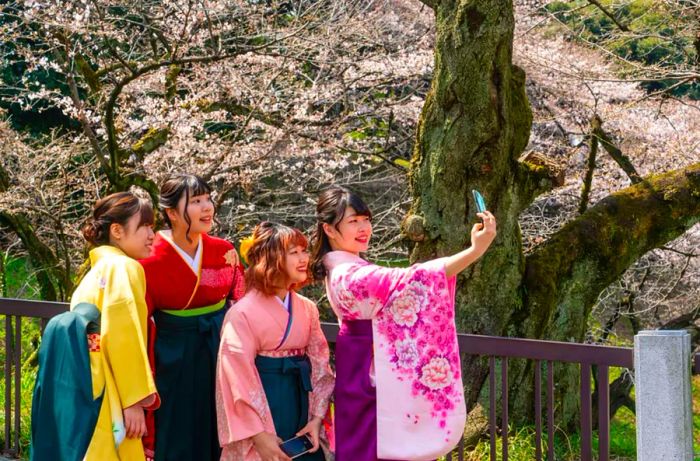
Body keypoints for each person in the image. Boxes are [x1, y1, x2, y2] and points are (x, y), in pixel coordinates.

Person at [309, 186, 497, 461]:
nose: (363, 228)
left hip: (364, 365)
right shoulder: (349, 274)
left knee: (368, 446)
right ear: (329, 229)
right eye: (353, 221)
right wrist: (474, 251)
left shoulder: (344, 267)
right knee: (373, 447)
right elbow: (413, 279)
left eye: (365, 219)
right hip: (370, 371)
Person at [32, 190, 159, 461]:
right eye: (145, 225)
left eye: (153, 226)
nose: (152, 235)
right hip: (110, 387)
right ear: (117, 230)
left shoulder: (94, 274)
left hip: (88, 381)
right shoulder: (124, 267)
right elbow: (123, 335)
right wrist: (134, 400)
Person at [140, 174, 245, 461]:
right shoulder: (148, 256)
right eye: (196, 201)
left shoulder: (224, 251)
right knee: (177, 431)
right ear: (172, 212)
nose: (207, 207)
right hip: (171, 356)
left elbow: (239, 303)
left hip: (219, 352)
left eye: (208, 199)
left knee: (218, 430)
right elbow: (138, 321)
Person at [216, 222, 334, 461]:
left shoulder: (307, 308)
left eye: (304, 251)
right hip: (264, 410)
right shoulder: (241, 314)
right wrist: (259, 435)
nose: (304, 258)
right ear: (270, 258)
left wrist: (316, 419)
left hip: (302, 407)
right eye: (294, 252)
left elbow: (320, 364)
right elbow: (236, 378)